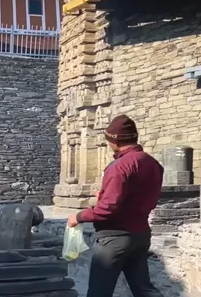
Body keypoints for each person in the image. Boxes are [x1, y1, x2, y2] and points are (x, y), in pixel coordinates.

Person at [68, 115, 164, 297]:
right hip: (140, 234)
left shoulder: (119, 166)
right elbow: (138, 195)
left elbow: (108, 209)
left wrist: (78, 217)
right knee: (144, 289)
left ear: (114, 140)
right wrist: (105, 196)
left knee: (99, 292)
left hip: (114, 238)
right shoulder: (152, 163)